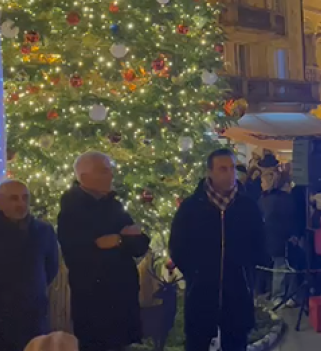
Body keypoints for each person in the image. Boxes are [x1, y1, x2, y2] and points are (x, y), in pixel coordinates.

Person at [169, 149, 267, 351]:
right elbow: (178, 245)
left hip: (238, 292)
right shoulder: (191, 207)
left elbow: (259, 243)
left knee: (236, 342)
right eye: (223, 169)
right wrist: (195, 272)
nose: (230, 173)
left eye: (232, 168)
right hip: (201, 293)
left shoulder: (247, 207)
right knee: (197, 342)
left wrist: (247, 269)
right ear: (210, 172)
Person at [58, 152, 150, 351]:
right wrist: (120, 238)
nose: (110, 176)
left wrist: (118, 239)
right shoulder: (72, 210)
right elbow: (78, 253)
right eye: (103, 171)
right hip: (94, 302)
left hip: (122, 297)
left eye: (110, 170)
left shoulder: (113, 205)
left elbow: (139, 243)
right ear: (84, 178)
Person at [0, 181, 59, 351]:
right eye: (14, 198)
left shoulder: (43, 231)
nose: (21, 204)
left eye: (25, 198)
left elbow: (50, 268)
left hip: (33, 315)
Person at [258, 167, 297, 304]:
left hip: (273, 237)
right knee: (284, 267)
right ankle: (286, 295)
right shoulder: (285, 198)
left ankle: (278, 295)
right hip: (280, 237)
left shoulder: (265, 199)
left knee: (279, 267)